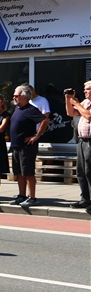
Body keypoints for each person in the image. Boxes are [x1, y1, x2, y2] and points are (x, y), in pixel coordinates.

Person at [8, 84, 49, 208]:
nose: (14, 97)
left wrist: (36, 136)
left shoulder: (31, 109)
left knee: (28, 172)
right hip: (16, 146)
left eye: (16, 95)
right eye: (14, 95)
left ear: (24, 97)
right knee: (19, 172)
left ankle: (32, 197)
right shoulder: (17, 109)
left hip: (27, 147)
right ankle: (22, 195)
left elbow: (45, 120)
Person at [64, 81, 91, 209]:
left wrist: (76, 103)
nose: (85, 91)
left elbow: (88, 115)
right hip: (82, 141)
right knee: (81, 171)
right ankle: (85, 199)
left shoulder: (83, 105)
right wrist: (68, 98)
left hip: (90, 142)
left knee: (89, 171)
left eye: (87, 89)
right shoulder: (85, 103)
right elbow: (71, 113)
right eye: (84, 89)